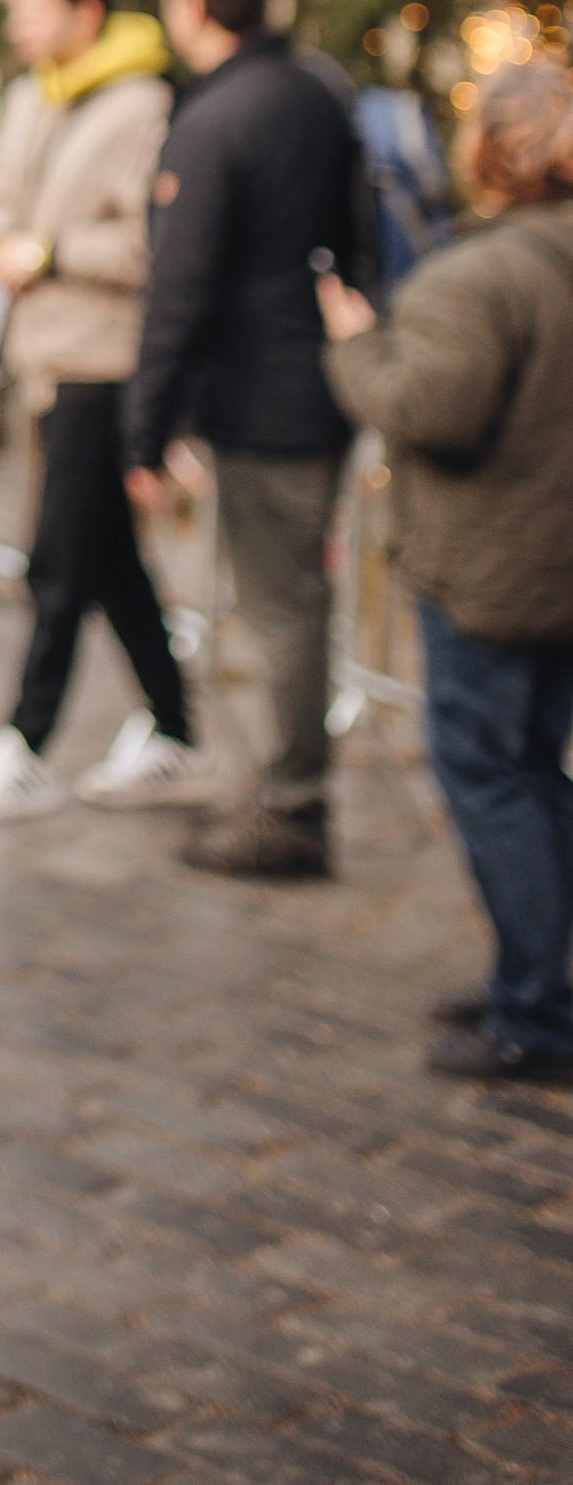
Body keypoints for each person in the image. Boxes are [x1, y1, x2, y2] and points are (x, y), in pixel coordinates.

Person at [319, 59, 573, 1084]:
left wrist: (353, 343)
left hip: (490, 569)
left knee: (491, 778)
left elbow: (429, 406)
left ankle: (535, 1007)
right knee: (533, 773)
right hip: (547, 562)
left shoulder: (482, 274)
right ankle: (537, 972)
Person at [0, 0, 207, 823]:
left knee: (58, 561)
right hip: (42, 356)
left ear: (86, 12)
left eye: (36, 8)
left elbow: (146, 245)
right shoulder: (27, 96)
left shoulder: (144, 107)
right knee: (109, 561)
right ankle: (175, 728)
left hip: (104, 360)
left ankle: (27, 741)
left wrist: (47, 253)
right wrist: (7, 241)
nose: (20, 25)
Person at [124, 0, 365, 882]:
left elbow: (178, 290)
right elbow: (353, 237)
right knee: (291, 602)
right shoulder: (319, 90)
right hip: (316, 380)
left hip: (266, 401)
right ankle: (281, 790)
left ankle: (292, 809)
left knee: (281, 610)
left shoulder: (215, 117)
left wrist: (147, 430)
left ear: (194, 6)